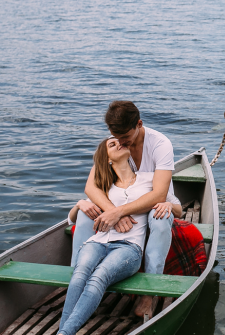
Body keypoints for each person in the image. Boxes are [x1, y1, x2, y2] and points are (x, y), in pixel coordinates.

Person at [41, 137, 150, 335]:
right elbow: (71, 218)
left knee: (99, 276)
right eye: (112, 145)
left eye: (120, 141)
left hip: (128, 248)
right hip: (97, 241)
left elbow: (175, 205)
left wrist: (167, 206)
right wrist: (80, 203)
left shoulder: (148, 181)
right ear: (107, 159)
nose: (118, 143)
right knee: (81, 272)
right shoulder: (104, 187)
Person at [71, 100, 181, 317]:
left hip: (155, 203)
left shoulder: (161, 144)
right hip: (122, 201)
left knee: (160, 217)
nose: (121, 143)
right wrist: (113, 211)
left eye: (125, 139)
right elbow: (91, 187)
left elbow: (159, 194)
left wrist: (119, 212)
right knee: (85, 214)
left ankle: (149, 294)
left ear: (139, 124)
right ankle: (75, 280)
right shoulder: (115, 145)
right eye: (116, 137)